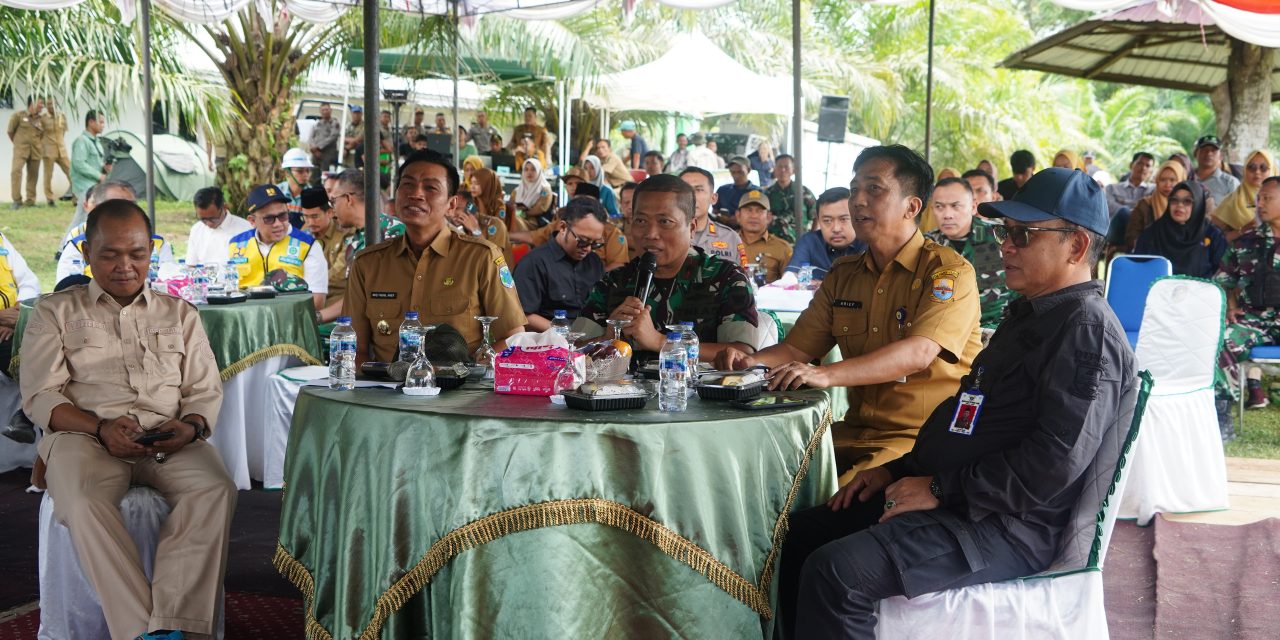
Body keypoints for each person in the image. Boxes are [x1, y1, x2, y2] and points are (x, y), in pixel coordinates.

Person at [776, 167, 1133, 639]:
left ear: (1077, 247)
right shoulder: (1033, 313)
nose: (1006, 246)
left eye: (1023, 235)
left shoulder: (1085, 331)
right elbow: (970, 418)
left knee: (838, 572)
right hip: (960, 496)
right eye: (1006, 232)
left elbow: (1053, 464)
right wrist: (897, 471)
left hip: (1004, 524)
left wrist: (942, 489)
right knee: (796, 536)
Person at [21, 199, 234, 640]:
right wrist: (98, 427)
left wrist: (191, 426)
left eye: (137, 253)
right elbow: (41, 396)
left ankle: (176, 625)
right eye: (110, 253)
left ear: (151, 251)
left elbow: (204, 390)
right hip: (86, 437)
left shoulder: (181, 315)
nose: (125, 265)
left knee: (215, 488)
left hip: (167, 439)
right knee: (81, 501)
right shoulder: (54, 311)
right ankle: (143, 632)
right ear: (85, 252)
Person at [719, 145, 982, 479]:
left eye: (874, 189)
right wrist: (747, 364)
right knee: (755, 469)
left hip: (919, 440)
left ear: (911, 206)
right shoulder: (844, 274)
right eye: (855, 189)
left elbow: (919, 352)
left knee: (833, 505)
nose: (858, 200)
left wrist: (826, 374)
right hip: (852, 432)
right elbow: (797, 349)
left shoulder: (948, 272)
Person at [345, 149, 526, 361]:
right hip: (386, 389)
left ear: (451, 204)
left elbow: (514, 338)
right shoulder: (368, 263)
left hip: (460, 389)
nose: (416, 194)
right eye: (408, 184)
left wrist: (470, 370)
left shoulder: (481, 257)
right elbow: (354, 350)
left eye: (430, 187)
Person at [572, 174, 760, 363]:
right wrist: (608, 337)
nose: (651, 234)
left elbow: (742, 354)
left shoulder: (726, 278)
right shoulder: (612, 283)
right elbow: (572, 352)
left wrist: (661, 342)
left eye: (665, 222)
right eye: (640, 221)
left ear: (692, 228)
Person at [1215, 176, 1280, 417]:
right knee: (1222, 341)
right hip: (1253, 319)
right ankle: (1222, 415)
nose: (1260, 203)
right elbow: (1223, 282)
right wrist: (1230, 307)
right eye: (1259, 198)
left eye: (1268, 198)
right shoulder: (1246, 242)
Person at [925, 177, 1011, 330]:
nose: (947, 215)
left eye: (955, 206)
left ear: (973, 207)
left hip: (998, 330)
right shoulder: (927, 246)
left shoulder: (999, 236)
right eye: (939, 207)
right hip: (946, 334)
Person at [228, 184, 328, 311]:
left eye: (283, 216)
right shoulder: (236, 244)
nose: (278, 224)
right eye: (269, 219)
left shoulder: (308, 245)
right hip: (246, 321)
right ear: (252, 221)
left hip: (289, 321)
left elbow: (317, 301)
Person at [514, 197, 608, 331]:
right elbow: (524, 315)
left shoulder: (594, 262)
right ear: (563, 227)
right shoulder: (534, 263)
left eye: (595, 243)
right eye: (582, 241)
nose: (588, 248)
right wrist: (566, 334)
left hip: (592, 336)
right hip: (549, 342)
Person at [56, 182, 175, 283]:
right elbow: (67, 291)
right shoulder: (77, 247)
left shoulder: (158, 244)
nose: (125, 267)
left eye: (137, 256)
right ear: (97, 209)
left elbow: (171, 283)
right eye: (109, 256)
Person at [1134, 181, 1226, 279]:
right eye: (1174, 200)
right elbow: (1138, 269)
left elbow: (1222, 272)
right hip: (1157, 291)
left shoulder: (1212, 235)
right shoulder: (1152, 233)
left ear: (1198, 204)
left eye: (1187, 201)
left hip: (1199, 292)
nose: (1179, 205)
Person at [784, 187, 867, 282]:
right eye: (827, 221)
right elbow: (789, 279)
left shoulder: (871, 244)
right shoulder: (810, 242)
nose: (836, 229)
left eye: (844, 219)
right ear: (819, 221)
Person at [330, 169, 405, 263]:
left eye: (333, 201)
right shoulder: (354, 239)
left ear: (348, 199)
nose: (333, 209)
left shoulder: (392, 230)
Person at [300, 186, 354, 315]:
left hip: (338, 308)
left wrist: (311, 281)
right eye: (305, 217)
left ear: (329, 212)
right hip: (306, 303)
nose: (310, 222)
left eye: (314, 216)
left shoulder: (346, 234)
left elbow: (340, 274)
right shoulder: (303, 234)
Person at [680, 167, 747, 266]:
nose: (692, 196)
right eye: (685, 190)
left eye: (698, 190)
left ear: (713, 198)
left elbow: (742, 278)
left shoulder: (730, 238)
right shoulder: (663, 236)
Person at [1124, 159, 1188, 250]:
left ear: (1181, 181)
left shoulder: (1188, 206)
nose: (1167, 184)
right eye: (1163, 180)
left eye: (1172, 180)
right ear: (1157, 181)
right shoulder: (1144, 205)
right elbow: (1132, 237)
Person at [1213, 149, 1275, 240]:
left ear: (1272, 170)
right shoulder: (1231, 202)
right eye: (1252, 167)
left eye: (1264, 167)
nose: (1257, 172)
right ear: (1245, 170)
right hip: (1243, 252)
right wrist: (1243, 230)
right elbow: (1215, 239)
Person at [449, 179, 513, 267]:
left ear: (470, 209)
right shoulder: (452, 225)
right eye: (450, 208)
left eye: (457, 208)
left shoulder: (496, 224)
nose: (452, 213)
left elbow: (494, 260)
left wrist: (476, 231)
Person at [68, 109, 110, 238]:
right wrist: (99, 176)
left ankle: (69, 246)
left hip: (93, 186)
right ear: (91, 122)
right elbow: (79, 164)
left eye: (104, 122)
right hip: (84, 185)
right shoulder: (82, 141)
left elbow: (95, 162)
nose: (103, 125)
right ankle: (64, 247)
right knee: (81, 217)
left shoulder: (96, 141)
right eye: (101, 122)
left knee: (83, 217)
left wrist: (105, 168)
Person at [736, 189, 793, 284]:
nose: (753, 216)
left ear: (769, 217)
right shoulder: (726, 243)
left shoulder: (783, 248)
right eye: (748, 210)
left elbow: (790, 284)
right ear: (738, 216)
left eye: (759, 211)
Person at [186, 186, 252, 266]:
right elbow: (191, 265)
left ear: (224, 207)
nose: (208, 224)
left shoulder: (245, 229)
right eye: (203, 219)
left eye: (213, 219)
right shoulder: (196, 229)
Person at [765, 154, 817, 242]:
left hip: (799, 243)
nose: (782, 170)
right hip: (773, 243)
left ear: (793, 170)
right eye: (779, 166)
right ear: (774, 170)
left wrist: (812, 238)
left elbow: (816, 216)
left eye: (786, 167)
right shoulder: (767, 194)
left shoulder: (804, 192)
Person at [8, 96, 44, 209]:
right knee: (16, 172)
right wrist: (19, 144)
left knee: (33, 176)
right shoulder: (18, 116)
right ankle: (17, 201)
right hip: (20, 151)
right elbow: (10, 132)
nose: (42, 106)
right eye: (40, 103)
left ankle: (30, 201)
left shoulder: (41, 119)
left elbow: (42, 135)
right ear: (32, 103)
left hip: (36, 151)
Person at [1192, 135, 1241, 208]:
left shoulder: (1231, 183)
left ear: (1221, 156)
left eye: (1213, 150)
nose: (1209, 153)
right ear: (1196, 154)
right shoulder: (1186, 177)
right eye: (1204, 150)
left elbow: (1237, 210)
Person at [40, 97, 71, 207]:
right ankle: (50, 199)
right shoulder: (42, 118)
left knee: (71, 172)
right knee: (48, 176)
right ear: (46, 106)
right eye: (48, 104)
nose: (51, 106)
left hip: (61, 150)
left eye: (53, 103)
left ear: (56, 104)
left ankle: (76, 198)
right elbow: (39, 134)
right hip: (48, 151)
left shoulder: (62, 117)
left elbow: (63, 132)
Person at [469, 166, 521, 233]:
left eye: (476, 183)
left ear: (488, 185)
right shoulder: (472, 201)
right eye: (471, 183)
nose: (472, 187)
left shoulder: (498, 204)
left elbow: (497, 228)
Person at [277, 147, 314, 229]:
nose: (305, 175)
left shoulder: (313, 196)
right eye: (300, 171)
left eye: (308, 171)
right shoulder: (277, 192)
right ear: (287, 173)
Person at [511, 158, 553, 226]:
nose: (529, 172)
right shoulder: (516, 191)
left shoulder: (545, 189)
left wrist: (523, 214)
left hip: (535, 222)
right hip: (516, 219)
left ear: (539, 171)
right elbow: (511, 206)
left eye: (533, 169)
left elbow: (541, 208)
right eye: (526, 169)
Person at [308, 102, 341, 184]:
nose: (325, 111)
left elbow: (333, 137)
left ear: (330, 110)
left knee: (325, 177)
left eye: (327, 109)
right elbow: (311, 137)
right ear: (320, 111)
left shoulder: (334, 123)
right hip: (315, 154)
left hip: (328, 154)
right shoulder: (317, 124)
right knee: (313, 175)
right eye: (323, 110)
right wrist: (313, 148)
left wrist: (318, 147)